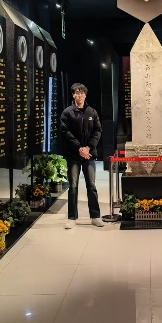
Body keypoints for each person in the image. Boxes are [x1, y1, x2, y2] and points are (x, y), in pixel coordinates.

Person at [60, 83, 104, 229]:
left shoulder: (92, 112)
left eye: (82, 93)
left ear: (85, 95)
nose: (79, 96)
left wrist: (88, 147)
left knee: (91, 185)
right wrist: (79, 148)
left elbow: (98, 131)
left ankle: (95, 216)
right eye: (76, 93)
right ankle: (72, 218)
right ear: (73, 95)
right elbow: (65, 132)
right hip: (74, 154)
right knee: (73, 186)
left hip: (89, 154)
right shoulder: (67, 112)